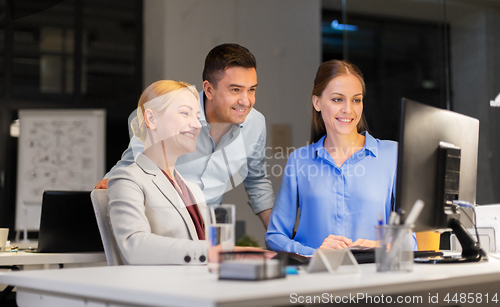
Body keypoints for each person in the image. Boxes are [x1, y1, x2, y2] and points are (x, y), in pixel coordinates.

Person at [96, 44, 274, 228]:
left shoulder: (255, 124)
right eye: (235, 90)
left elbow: (257, 180)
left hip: (207, 232)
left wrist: (281, 236)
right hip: (159, 230)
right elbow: (127, 168)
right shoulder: (168, 114)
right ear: (209, 90)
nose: (246, 101)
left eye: (251, 89)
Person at [265, 60, 398, 256]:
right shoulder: (299, 161)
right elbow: (275, 237)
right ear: (317, 103)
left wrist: (383, 245)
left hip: (374, 279)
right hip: (317, 281)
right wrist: (314, 253)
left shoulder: (392, 155)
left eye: (356, 100)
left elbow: (414, 238)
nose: (348, 110)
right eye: (337, 99)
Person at [107, 80, 207, 265]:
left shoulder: (193, 189)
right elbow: (134, 246)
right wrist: (211, 251)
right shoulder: (128, 179)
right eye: (185, 113)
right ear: (151, 119)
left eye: (197, 116)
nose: (196, 124)